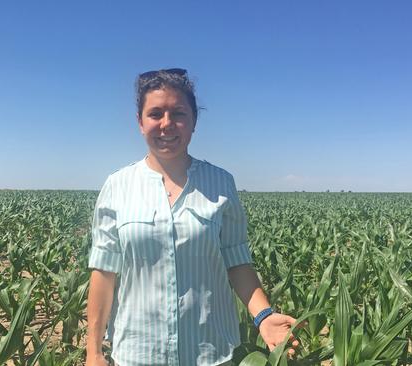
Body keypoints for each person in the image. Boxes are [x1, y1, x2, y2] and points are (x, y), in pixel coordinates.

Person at [86, 68, 299, 366]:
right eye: (155, 113)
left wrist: (263, 316)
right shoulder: (117, 186)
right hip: (137, 353)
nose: (166, 124)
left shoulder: (221, 183)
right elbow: (103, 274)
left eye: (178, 113)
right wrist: (93, 351)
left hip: (210, 352)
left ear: (194, 121)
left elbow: (236, 261)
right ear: (139, 122)